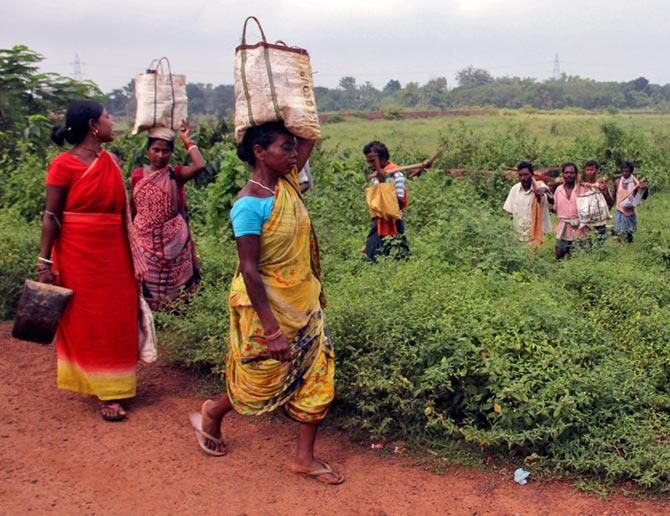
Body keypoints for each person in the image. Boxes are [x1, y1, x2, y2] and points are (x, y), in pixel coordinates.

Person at [188, 122, 343, 485]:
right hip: (266, 307)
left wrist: (293, 94)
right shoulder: (249, 205)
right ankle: (213, 410)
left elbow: (309, 133)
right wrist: (271, 330)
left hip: (303, 302)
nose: (293, 155)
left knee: (318, 375)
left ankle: (304, 459)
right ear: (260, 152)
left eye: (293, 148)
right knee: (259, 380)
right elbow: (250, 270)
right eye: (284, 148)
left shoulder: (288, 182)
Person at [37, 100, 146, 421]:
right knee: (89, 318)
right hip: (77, 253)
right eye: (107, 117)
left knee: (118, 315)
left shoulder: (110, 160)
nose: (113, 122)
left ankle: (116, 380)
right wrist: (44, 260)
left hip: (115, 252)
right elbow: (51, 215)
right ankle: (107, 393)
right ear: (92, 126)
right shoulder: (63, 165)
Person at [131, 121, 205, 310]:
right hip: (145, 238)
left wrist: (186, 140)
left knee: (176, 279)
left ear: (171, 153)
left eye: (165, 151)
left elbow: (199, 165)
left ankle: (176, 311)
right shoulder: (138, 175)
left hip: (173, 239)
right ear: (148, 151)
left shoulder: (176, 174)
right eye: (156, 150)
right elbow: (135, 206)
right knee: (146, 276)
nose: (160, 155)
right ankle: (152, 312)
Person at [362, 140, 431, 261]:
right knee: (371, 253)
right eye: (368, 161)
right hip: (379, 221)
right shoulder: (376, 177)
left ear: (382, 159)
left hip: (393, 220)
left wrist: (385, 182)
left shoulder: (396, 175)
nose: (369, 165)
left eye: (372, 161)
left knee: (400, 253)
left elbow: (400, 202)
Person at [503, 161, 553, 245]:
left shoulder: (540, 187)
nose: (523, 178)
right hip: (518, 235)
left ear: (532, 174)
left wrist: (544, 191)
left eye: (526, 174)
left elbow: (551, 200)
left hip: (535, 235)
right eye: (520, 175)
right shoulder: (515, 189)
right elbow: (509, 212)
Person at [553, 162, 590, 259]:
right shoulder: (558, 190)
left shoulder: (582, 189)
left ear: (576, 175)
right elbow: (555, 208)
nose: (569, 175)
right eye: (566, 173)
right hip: (563, 228)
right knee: (559, 256)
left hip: (580, 228)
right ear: (563, 174)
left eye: (572, 173)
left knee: (580, 257)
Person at [613, 161, 648, 242]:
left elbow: (643, 197)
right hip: (619, 210)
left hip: (629, 210)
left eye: (627, 171)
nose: (625, 173)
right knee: (619, 232)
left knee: (629, 232)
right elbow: (614, 195)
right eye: (623, 171)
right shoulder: (618, 182)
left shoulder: (635, 183)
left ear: (631, 172)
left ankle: (629, 245)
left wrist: (644, 189)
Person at [582, 160, 613, 241]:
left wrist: (605, 191)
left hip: (600, 220)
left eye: (592, 170)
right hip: (586, 220)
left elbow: (610, 202)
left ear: (597, 170)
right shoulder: (582, 185)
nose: (589, 172)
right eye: (587, 170)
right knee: (587, 243)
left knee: (600, 242)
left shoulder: (602, 184)